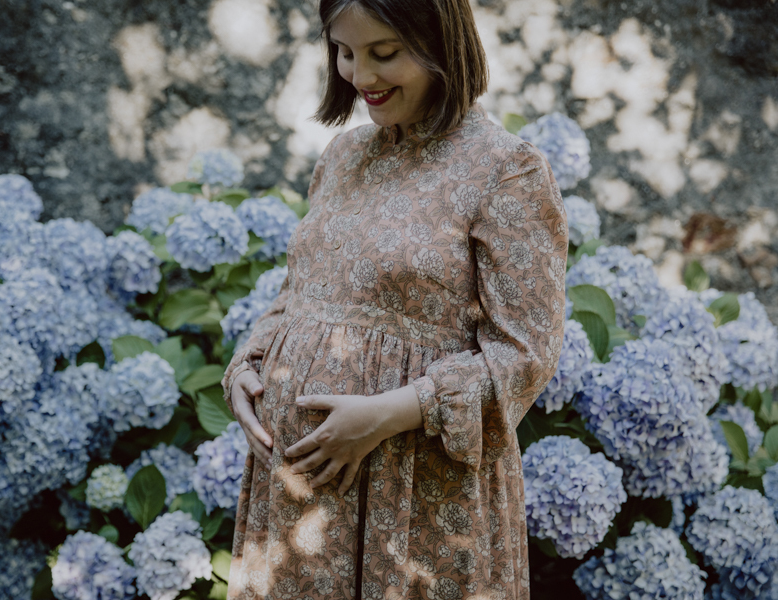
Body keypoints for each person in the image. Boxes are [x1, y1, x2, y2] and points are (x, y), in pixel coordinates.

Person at [220, 0, 568, 598]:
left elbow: (525, 353)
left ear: (442, 45)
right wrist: (248, 365)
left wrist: (384, 415)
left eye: (384, 53)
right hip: (297, 503)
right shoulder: (343, 156)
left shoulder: (505, 170)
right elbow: (300, 293)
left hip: (412, 494)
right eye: (345, 52)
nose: (361, 77)